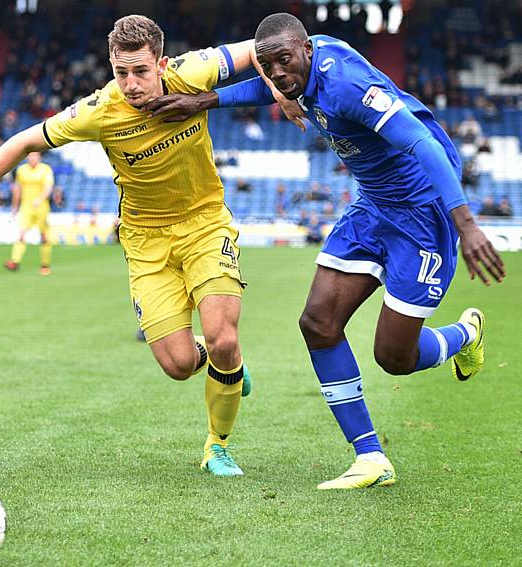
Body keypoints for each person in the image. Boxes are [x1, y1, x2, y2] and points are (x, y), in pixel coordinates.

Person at [145, 13, 506, 489]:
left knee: (394, 357)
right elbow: (263, 86)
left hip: (423, 213)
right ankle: (371, 457)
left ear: (307, 51)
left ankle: (464, 335)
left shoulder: (347, 86)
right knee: (317, 322)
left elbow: (420, 140)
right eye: (268, 65)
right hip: (373, 205)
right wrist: (205, 100)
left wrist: (466, 224)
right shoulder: (292, 70)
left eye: (285, 62)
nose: (277, 74)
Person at [0, 15, 298, 477]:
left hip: (206, 225)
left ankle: (217, 445)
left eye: (141, 72)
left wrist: (283, 92)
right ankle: (226, 366)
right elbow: (23, 140)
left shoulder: (194, 71)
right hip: (146, 243)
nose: (130, 84)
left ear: (162, 64)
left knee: (225, 336)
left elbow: (264, 44)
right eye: (120, 72)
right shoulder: (99, 111)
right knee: (180, 364)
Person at [3, 151, 54, 275]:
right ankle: (15, 261)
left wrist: (40, 199)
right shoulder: (21, 170)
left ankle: (45, 264)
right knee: (21, 234)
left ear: (39, 157)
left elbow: (48, 188)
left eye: (35, 156)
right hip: (26, 207)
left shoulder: (45, 169)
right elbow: (17, 189)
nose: (32, 158)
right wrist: (14, 207)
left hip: (42, 207)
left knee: (44, 236)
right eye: (30, 156)